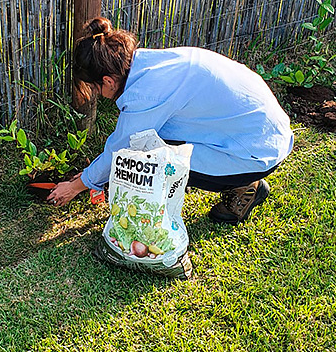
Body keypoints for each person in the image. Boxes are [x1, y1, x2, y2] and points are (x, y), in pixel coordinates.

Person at [47, 17, 294, 225]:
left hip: (256, 152)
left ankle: (245, 187)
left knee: (151, 155)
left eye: (95, 88)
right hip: (268, 132)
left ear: (108, 81)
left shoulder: (146, 94)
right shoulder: (154, 63)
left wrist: (76, 186)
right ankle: (239, 177)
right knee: (153, 141)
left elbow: (121, 149)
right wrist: (90, 176)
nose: (99, 95)